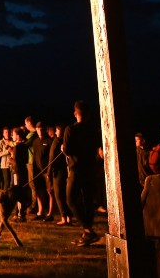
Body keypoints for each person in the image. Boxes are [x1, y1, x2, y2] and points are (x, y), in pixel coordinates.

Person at [63, 100, 101, 247]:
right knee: (88, 201)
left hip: (76, 168)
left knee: (70, 199)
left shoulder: (71, 129)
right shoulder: (94, 130)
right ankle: (87, 234)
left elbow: (67, 150)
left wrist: (63, 148)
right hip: (90, 168)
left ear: (75, 114)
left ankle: (88, 229)